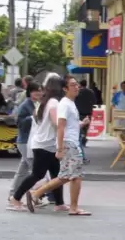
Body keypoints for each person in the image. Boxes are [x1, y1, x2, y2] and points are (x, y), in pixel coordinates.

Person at [28, 75, 91, 216]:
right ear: (65, 88)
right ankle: (37, 194)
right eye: (73, 85)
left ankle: (36, 193)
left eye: (77, 85)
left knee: (69, 176)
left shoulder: (70, 103)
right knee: (72, 176)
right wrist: (60, 148)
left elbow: (70, 126)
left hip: (72, 142)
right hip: (69, 144)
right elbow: (60, 126)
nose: (77, 87)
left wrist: (82, 124)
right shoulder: (64, 104)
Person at [10, 74, 68, 212]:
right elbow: (55, 122)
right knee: (37, 174)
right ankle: (16, 198)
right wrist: (65, 123)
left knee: (56, 174)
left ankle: (59, 203)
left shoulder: (46, 101)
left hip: (46, 143)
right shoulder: (53, 102)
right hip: (45, 144)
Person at [8, 81, 44, 206]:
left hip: (32, 141)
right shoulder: (25, 105)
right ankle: (34, 195)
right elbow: (19, 123)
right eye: (35, 91)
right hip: (25, 141)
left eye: (40, 90)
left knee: (22, 171)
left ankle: (12, 194)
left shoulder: (38, 103)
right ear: (30, 92)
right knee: (36, 171)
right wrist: (32, 117)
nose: (38, 93)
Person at [75, 79, 96, 148]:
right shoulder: (91, 92)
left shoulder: (78, 92)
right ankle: (84, 137)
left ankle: (81, 137)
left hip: (79, 111)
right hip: (88, 112)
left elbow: (74, 100)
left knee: (80, 125)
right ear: (86, 84)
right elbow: (94, 101)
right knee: (86, 126)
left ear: (80, 84)